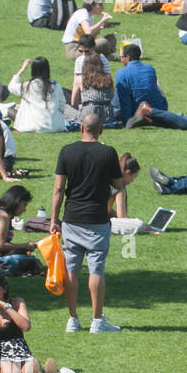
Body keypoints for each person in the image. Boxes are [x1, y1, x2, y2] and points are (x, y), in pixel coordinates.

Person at [50, 112, 125, 334]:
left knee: (71, 271)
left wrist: (54, 219)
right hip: (97, 220)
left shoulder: (66, 151)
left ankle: (73, 319)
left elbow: (58, 189)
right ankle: (97, 321)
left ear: (81, 128)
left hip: (72, 219)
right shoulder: (108, 153)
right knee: (96, 270)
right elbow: (119, 185)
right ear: (100, 129)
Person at [115, 45, 167, 127]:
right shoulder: (150, 68)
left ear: (127, 57)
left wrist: (127, 121)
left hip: (137, 109)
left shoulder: (121, 73)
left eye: (122, 57)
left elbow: (124, 100)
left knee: (116, 92)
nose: (121, 60)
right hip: (158, 109)